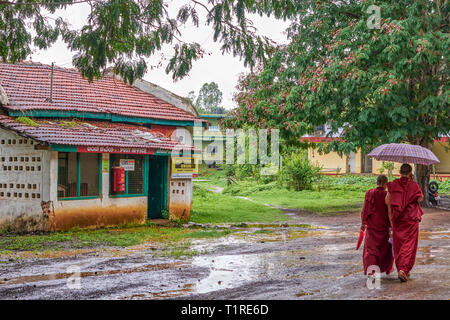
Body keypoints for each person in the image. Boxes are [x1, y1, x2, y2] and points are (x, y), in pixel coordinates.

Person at [385, 164, 424, 282]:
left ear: (399, 171)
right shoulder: (414, 185)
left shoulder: (394, 184)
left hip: (398, 219)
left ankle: (401, 268)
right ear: (410, 173)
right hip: (411, 219)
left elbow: (387, 200)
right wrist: (411, 185)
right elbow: (420, 199)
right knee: (409, 245)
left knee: (399, 244)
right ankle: (404, 269)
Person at [361, 174, 394, 277]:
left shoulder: (369, 193)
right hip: (383, 226)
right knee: (384, 249)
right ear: (386, 184)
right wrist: (392, 225)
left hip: (372, 226)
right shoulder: (387, 195)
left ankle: (371, 271)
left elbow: (365, 210)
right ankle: (386, 268)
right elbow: (390, 211)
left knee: (371, 250)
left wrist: (363, 222)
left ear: (377, 182)